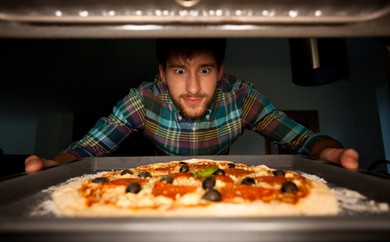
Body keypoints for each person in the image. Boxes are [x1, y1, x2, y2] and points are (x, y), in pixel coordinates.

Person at [25, 38, 359, 173]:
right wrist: (56, 165)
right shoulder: (143, 98)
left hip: (225, 190)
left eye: (205, 70)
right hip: (160, 191)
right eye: (180, 71)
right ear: (162, 74)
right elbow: (90, 146)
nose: (194, 88)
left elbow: (304, 139)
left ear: (221, 71)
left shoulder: (241, 97)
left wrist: (331, 151)